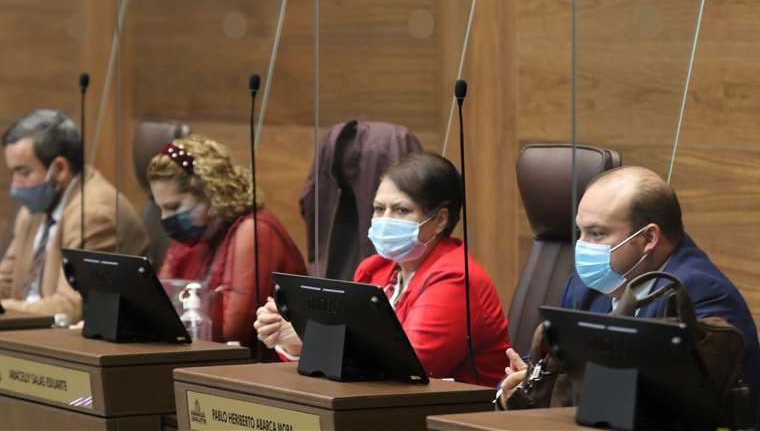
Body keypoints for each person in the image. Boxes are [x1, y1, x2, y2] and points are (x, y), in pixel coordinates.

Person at [498, 166, 760, 413]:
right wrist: (518, 384)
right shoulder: (586, 285)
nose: (582, 246)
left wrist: (558, 385)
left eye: (596, 233)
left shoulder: (699, 293)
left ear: (648, 238)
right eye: (580, 232)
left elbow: (674, 403)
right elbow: (544, 362)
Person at [255, 151, 511, 386]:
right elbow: (352, 356)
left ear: (440, 220)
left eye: (401, 210)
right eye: (379, 209)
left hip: (455, 411)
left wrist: (311, 338)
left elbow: (407, 367)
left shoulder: (456, 278)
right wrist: (292, 337)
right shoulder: (375, 269)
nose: (385, 220)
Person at [147, 134, 306, 347]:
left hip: (259, 365)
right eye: (160, 209)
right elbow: (157, 308)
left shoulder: (254, 230)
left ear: (211, 194)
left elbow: (232, 331)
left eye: (174, 207)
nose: (165, 218)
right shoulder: (192, 240)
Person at [0, 109, 148, 323]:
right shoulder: (34, 209)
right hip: (31, 330)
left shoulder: (93, 214)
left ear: (59, 169)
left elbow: (71, 308)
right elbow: (5, 280)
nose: (15, 184)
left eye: (24, 172)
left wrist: (7, 308)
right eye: (13, 172)